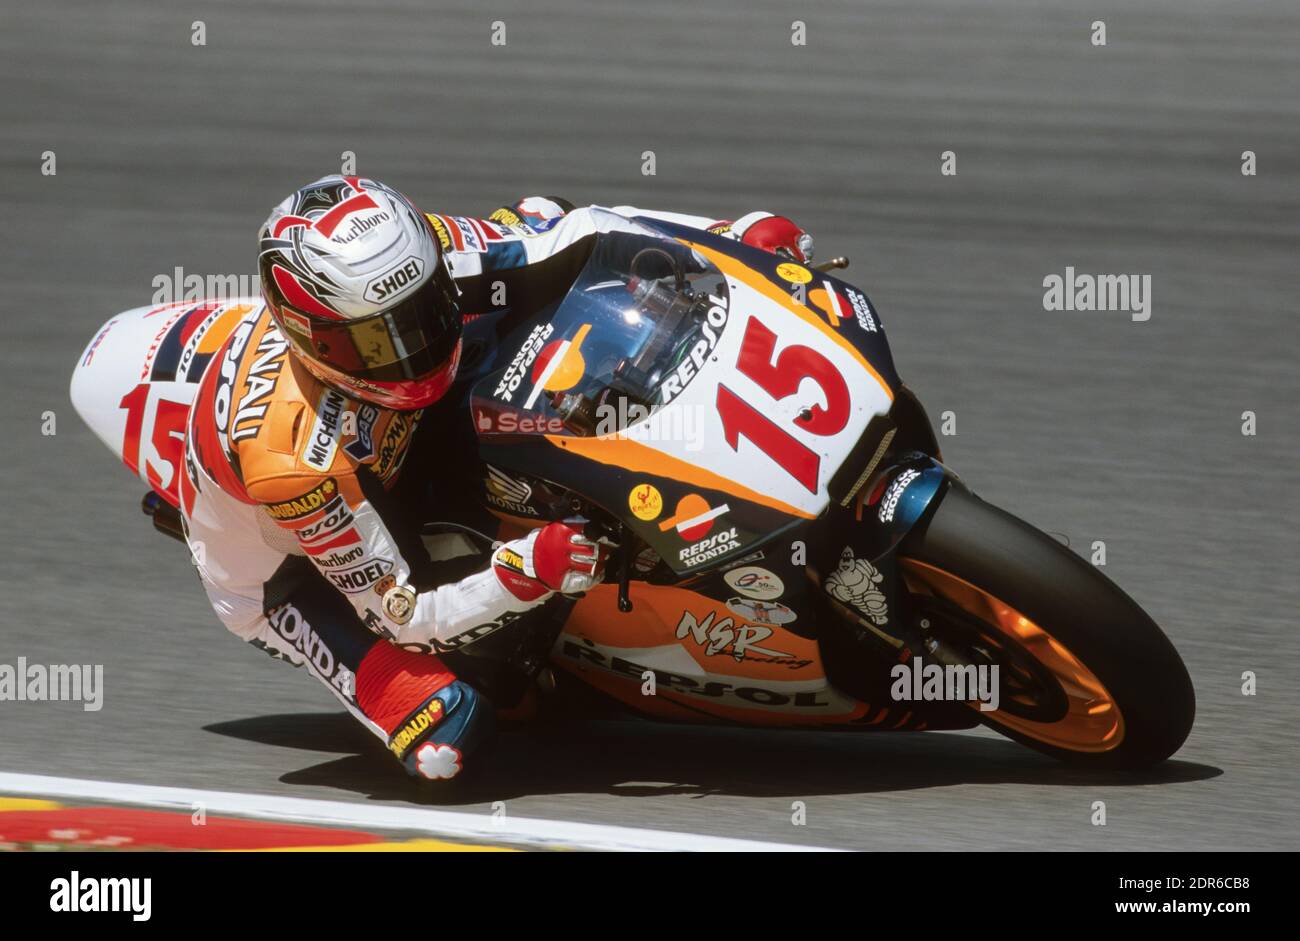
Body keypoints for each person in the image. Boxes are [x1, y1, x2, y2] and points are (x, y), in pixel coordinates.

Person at [180, 175, 813, 780]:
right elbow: (401, 614)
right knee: (445, 740)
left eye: (427, 311)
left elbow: (578, 232)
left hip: (400, 442)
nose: (416, 351)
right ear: (315, 341)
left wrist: (731, 236)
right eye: (380, 342)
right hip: (287, 576)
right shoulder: (296, 461)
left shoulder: (420, 254)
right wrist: (528, 569)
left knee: (537, 217)